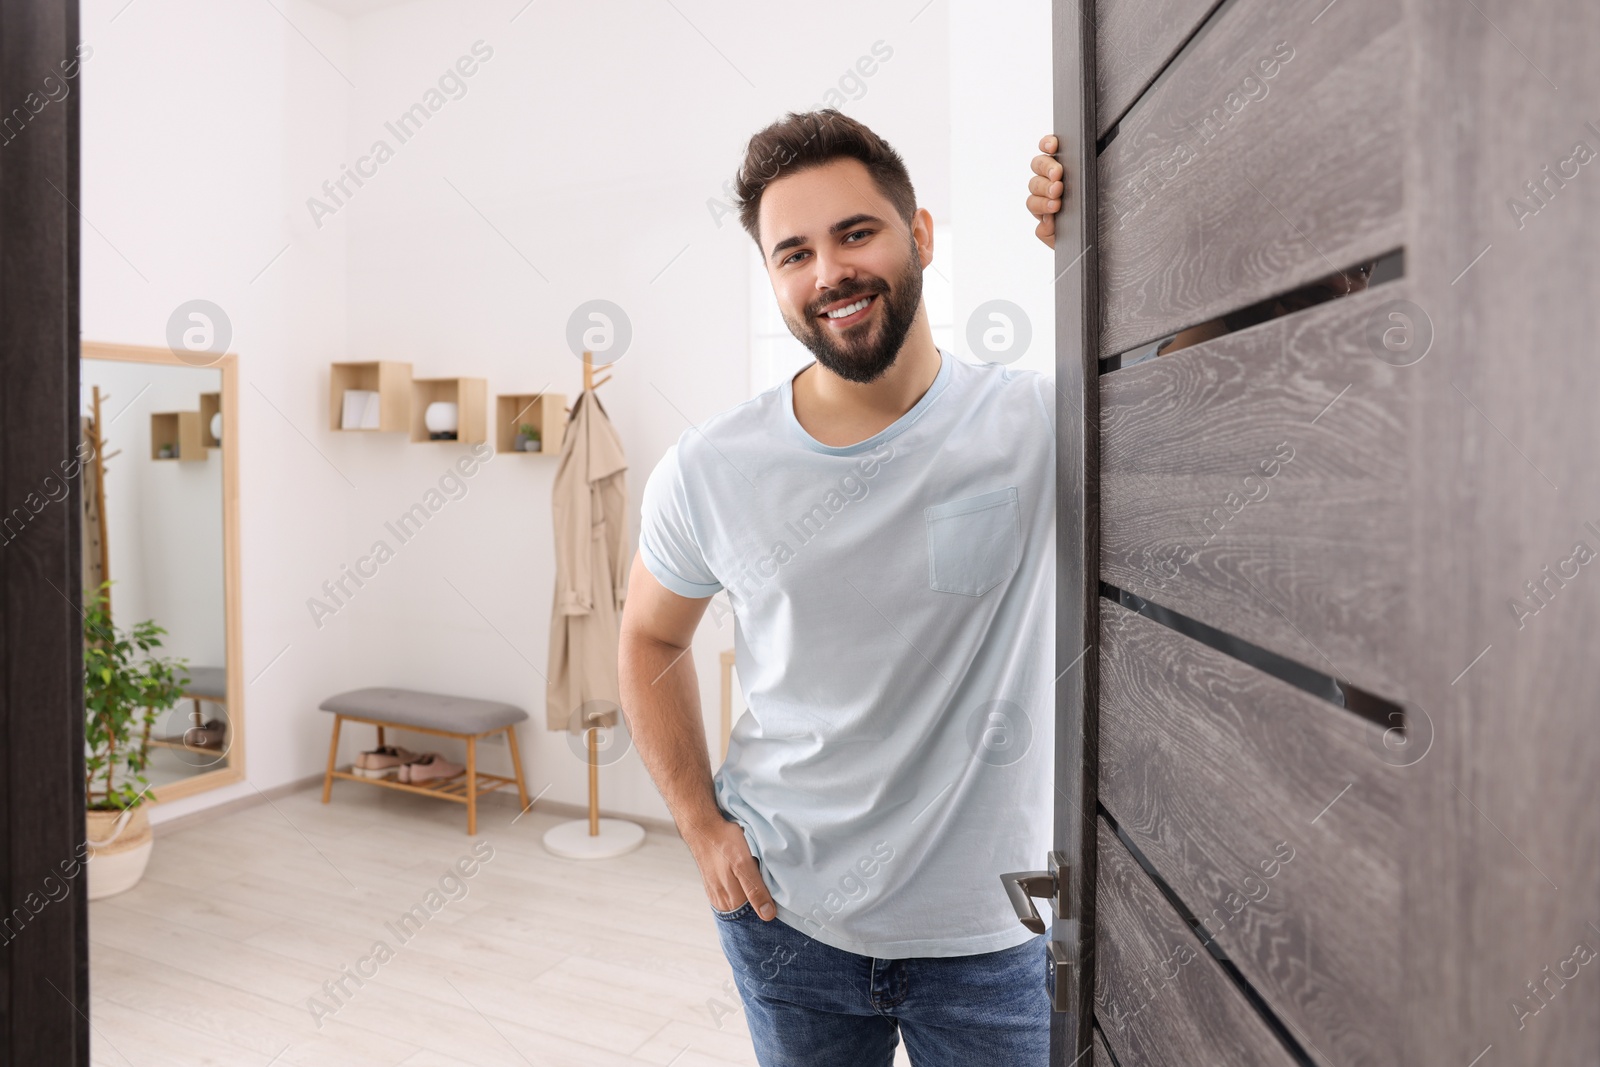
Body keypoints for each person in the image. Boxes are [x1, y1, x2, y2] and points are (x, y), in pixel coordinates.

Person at [619, 110, 1057, 1066]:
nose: (829, 273)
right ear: (774, 280)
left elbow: (1196, 365)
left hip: (993, 939)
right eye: (794, 253)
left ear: (921, 235)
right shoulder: (710, 467)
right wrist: (700, 826)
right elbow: (650, 637)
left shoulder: (1033, 425)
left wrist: (1114, 234)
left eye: (855, 233)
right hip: (787, 920)